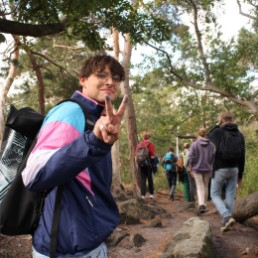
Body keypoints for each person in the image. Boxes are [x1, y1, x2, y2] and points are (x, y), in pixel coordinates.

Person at [21, 55, 128, 258]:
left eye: (116, 78)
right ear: (83, 79)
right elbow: (34, 174)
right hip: (65, 248)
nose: (110, 82)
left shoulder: (96, 117)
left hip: (86, 242)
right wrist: (93, 141)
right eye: (102, 75)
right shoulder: (71, 112)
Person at [208, 112, 245, 233]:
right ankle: (226, 220)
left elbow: (209, 135)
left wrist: (217, 124)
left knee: (214, 193)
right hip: (235, 168)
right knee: (230, 194)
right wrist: (240, 175)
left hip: (221, 167)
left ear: (222, 120)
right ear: (233, 120)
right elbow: (242, 156)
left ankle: (226, 216)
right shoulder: (240, 135)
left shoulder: (220, 132)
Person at [188, 128, 214, 213]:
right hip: (207, 168)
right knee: (205, 186)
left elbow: (191, 158)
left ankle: (201, 204)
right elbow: (213, 157)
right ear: (205, 134)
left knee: (199, 186)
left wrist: (190, 169)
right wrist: (211, 167)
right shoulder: (210, 145)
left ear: (198, 133)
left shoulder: (194, 144)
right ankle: (204, 204)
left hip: (197, 168)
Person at [135, 133, 155, 199]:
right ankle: (151, 194)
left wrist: (137, 165)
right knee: (150, 179)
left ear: (143, 138)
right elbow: (152, 156)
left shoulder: (138, 145)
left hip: (140, 165)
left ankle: (143, 195)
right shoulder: (151, 145)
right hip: (148, 165)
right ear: (149, 138)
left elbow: (136, 157)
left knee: (142, 179)